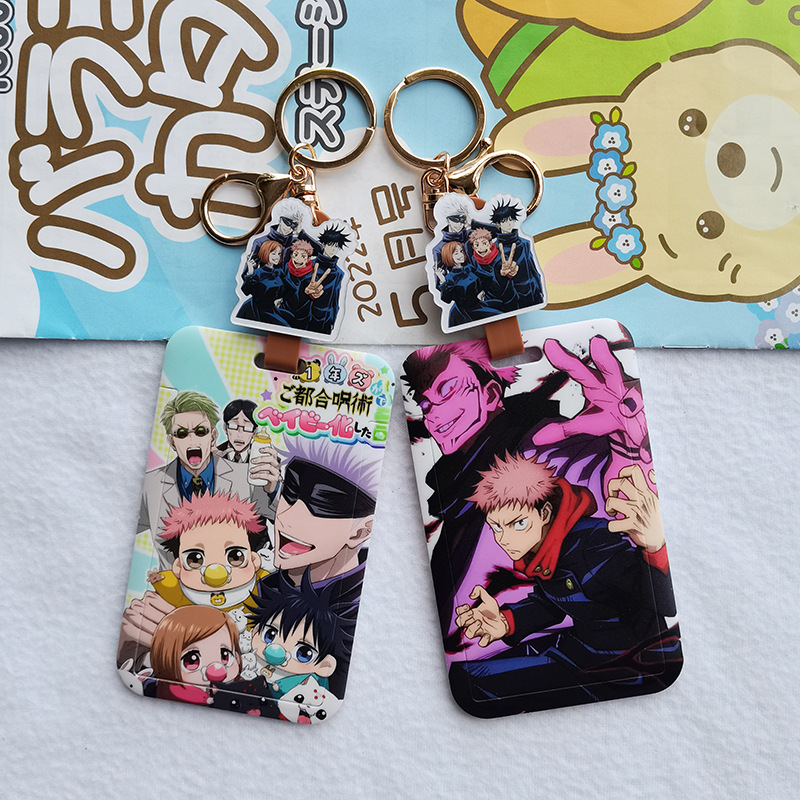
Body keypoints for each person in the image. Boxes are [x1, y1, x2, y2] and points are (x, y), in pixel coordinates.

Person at [402, 334, 656, 656]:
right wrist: (506, 622)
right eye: (425, 404)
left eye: (447, 390)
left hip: (608, 648)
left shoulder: (543, 450)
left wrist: (627, 450)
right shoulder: (458, 491)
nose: (434, 415)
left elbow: (600, 479)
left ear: (490, 393)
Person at [450, 454, 680, 714]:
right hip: (580, 650)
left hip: (623, 667)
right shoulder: (543, 548)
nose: (504, 539)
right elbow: (551, 603)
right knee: (467, 675)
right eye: (496, 528)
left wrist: (655, 549)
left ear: (545, 513)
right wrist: (505, 622)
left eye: (518, 524)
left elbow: (660, 603)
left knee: (471, 684)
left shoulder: (594, 544)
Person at [138, 390, 280, 568]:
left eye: (200, 432)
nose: (192, 441)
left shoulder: (246, 478)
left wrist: (273, 489)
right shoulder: (150, 485)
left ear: (213, 437)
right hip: (173, 584)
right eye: (181, 433)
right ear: (172, 442)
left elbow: (288, 522)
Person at [147, 491, 271, 612]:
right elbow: (169, 585)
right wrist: (159, 580)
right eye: (194, 559)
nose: (216, 576)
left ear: (254, 560)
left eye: (235, 557)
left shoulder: (262, 586)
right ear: (178, 567)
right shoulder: (180, 593)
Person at [150, 605, 242, 705]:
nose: (216, 671)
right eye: (192, 661)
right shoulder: (172, 694)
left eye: (225, 656)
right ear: (167, 661)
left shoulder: (238, 686)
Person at [436, 241, 512, 327]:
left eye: (461, 251)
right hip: (466, 311)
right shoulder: (450, 277)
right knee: (499, 316)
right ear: (449, 256)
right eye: (456, 253)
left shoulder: (469, 268)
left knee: (503, 306)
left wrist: (482, 292)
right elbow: (447, 299)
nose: (460, 255)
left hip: (480, 304)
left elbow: (487, 278)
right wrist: (443, 282)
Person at [489, 198, 545, 309]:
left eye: (511, 220)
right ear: (498, 224)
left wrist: (539, 288)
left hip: (531, 291)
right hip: (511, 297)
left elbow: (533, 269)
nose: (508, 224)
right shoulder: (494, 248)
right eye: (504, 221)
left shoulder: (524, 243)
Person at [237, 240, 285, 325]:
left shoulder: (279, 272)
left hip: (274, 309)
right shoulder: (258, 273)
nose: (277, 257)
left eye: (279, 254)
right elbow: (246, 291)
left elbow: (284, 289)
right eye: (273, 253)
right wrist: (250, 273)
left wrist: (280, 298)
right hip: (258, 310)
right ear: (265, 253)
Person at [216, 399, 257, 463]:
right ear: (225, 428)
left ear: (254, 432)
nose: (239, 434)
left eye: (247, 428)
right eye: (234, 426)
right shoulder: (215, 454)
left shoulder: (260, 456)